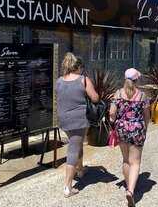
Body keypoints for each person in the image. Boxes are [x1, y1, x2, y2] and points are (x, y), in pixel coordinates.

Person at [56, 52, 99, 198]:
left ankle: (80, 170)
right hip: (78, 119)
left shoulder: (59, 81)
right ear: (78, 67)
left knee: (77, 143)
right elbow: (95, 98)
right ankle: (68, 187)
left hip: (63, 119)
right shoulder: (83, 80)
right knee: (73, 149)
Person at [109, 68, 150, 207]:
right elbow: (146, 116)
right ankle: (131, 191)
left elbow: (112, 113)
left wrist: (114, 122)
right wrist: (145, 128)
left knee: (126, 160)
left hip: (121, 129)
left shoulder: (118, 93)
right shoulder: (142, 95)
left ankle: (128, 186)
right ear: (137, 80)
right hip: (137, 129)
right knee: (136, 162)